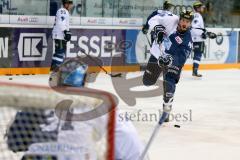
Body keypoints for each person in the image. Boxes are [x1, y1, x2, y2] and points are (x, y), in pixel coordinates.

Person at [142, 10, 194, 122]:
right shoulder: (170, 19)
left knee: (169, 83)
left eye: (188, 22)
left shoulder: (188, 40)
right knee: (147, 82)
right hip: (157, 56)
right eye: (183, 20)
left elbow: (181, 58)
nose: (185, 23)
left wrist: (170, 60)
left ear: (190, 24)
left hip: (171, 63)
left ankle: (166, 109)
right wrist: (155, 27)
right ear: (179, 19)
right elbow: (155, 14)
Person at [51, 0, 73, 71]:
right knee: (60, 52)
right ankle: (56, 69)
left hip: (61, 35)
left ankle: (54, 67)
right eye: (70, 4)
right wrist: (66, 32)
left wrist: (67, 33)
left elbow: (64, 24)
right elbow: (60, 22)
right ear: (66, 4)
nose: (71, 6)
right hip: (59, 35)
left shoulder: (65, 11)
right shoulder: (62, 11)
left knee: (60, 52)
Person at [191, 1, 206, 77]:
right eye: (201, 7)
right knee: (198, 54)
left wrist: (203, 32)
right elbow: (194, 28)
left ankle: (194, 70)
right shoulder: (198, 16)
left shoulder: (195, 15)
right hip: (198, 39)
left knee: (195, 54)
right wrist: (202, 34)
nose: (203, 8)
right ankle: (195, 71)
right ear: (197, 8)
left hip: (194, 39)